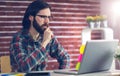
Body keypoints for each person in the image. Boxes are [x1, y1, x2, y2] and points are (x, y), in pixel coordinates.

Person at [9, 0, 70, 72]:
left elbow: (65, 57)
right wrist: (44, 43)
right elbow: (24, 68)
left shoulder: (47, 36)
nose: (47, 21)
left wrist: (61, 74)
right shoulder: (18, 39)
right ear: (31, 17)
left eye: (48, 17)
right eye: (42, 17)